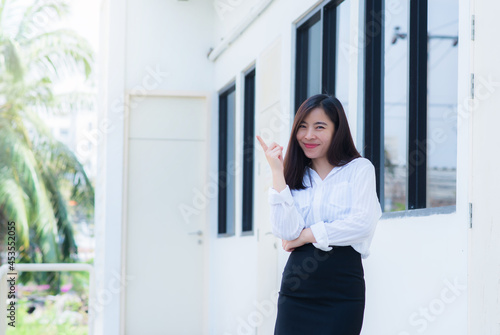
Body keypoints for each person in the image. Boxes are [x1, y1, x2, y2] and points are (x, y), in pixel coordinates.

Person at [256, 94, 382, 335]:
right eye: (302, 127)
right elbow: (285, 232)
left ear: (338, 130)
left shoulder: (359, 169)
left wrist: (306, 236)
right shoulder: (294, 175)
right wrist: (277, 172)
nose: (308, 135)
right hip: (298, 286)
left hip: (342, 285)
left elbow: (363, 224)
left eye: (319, 127)